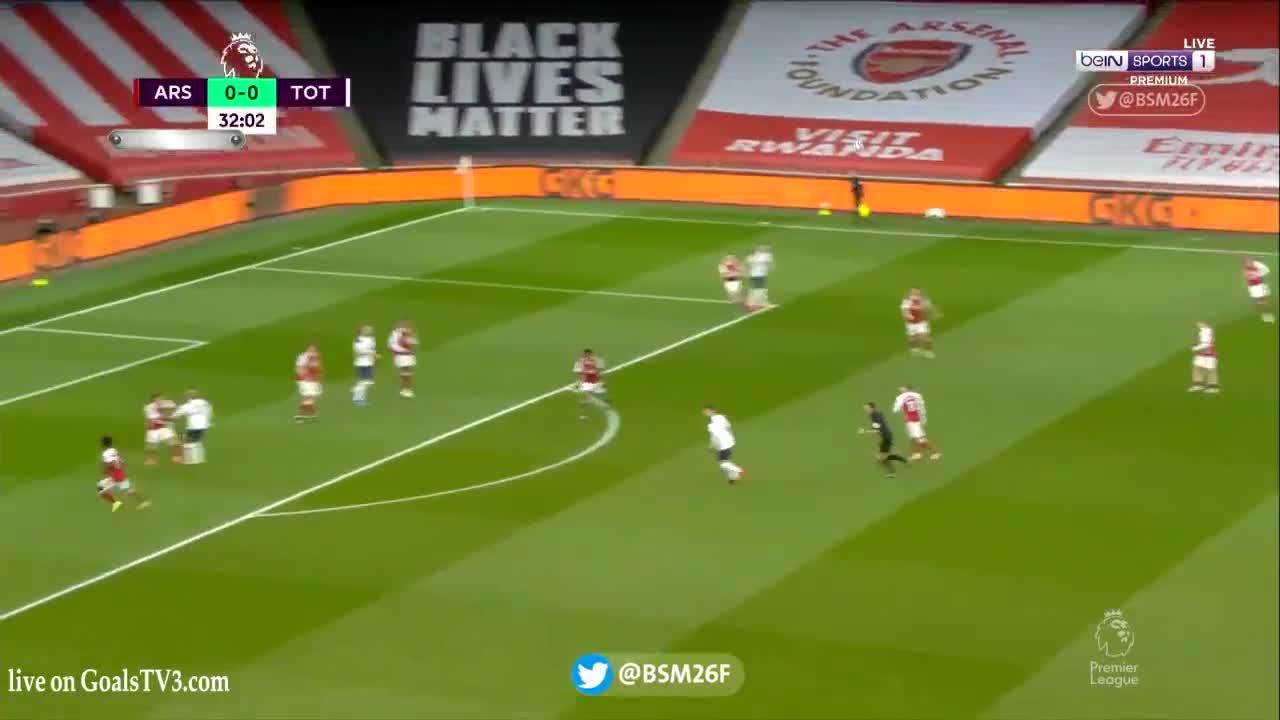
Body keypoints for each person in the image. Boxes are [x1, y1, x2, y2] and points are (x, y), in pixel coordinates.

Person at [859, 402, 910, 477]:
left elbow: (878, 428)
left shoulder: (873, 415)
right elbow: (880, 426)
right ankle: (903, 461)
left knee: (881, 457)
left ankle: (892, 472)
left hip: (886, 436)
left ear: (871, 408)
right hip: (887, 435)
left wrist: (865, 431)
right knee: (882, 456)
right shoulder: (878, 413)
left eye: (867, 408)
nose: (866, 409)